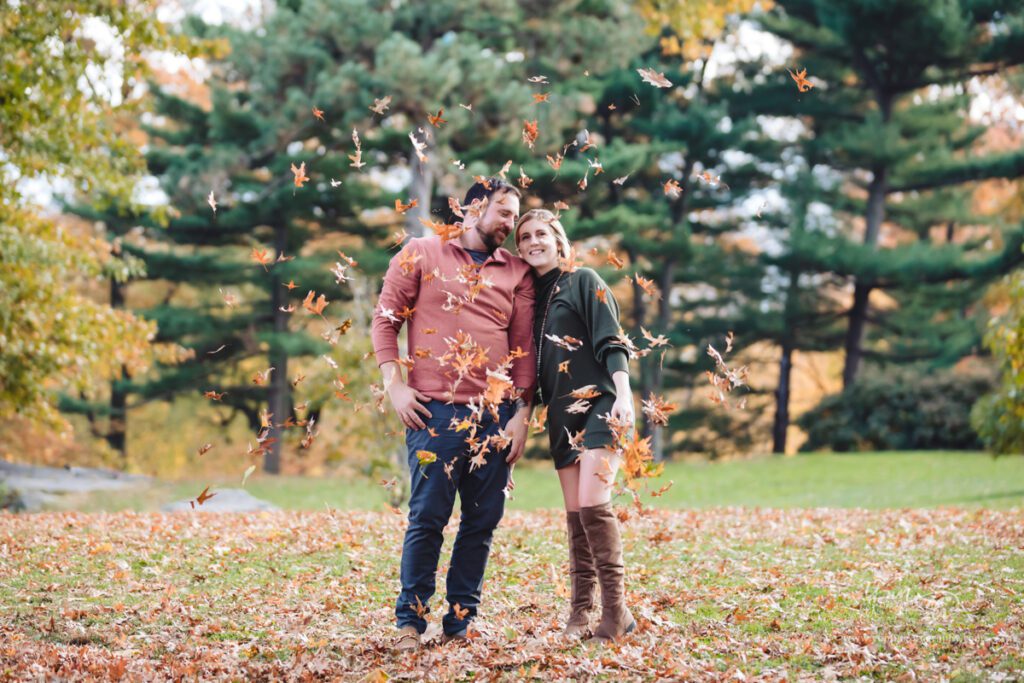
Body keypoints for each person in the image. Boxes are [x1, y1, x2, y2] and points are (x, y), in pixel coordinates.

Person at [371, 177, 536, 651]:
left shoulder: (517, 272)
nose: (511, 222)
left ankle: (460, 622)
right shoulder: (419, 253)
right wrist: (395, 387)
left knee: (481, 523)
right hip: (434, 414)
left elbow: (523, 351)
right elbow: (385, 322)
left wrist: (521, 414)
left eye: (514, 214)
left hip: (495, 417)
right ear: (472, 209)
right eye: (504, 212)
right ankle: (410, 623)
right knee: (427, 517)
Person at [514, 208, 636, 643]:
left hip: (603, 407)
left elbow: (611, 337)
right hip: (562, 420)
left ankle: (615, 614)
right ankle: (580, 613)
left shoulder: (583, 280)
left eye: (541, 233)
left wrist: (623, 394)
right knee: (575, 517)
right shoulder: (528, 301)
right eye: (524, 236)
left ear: (558, 239)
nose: (533, 241)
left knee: (592, 506)